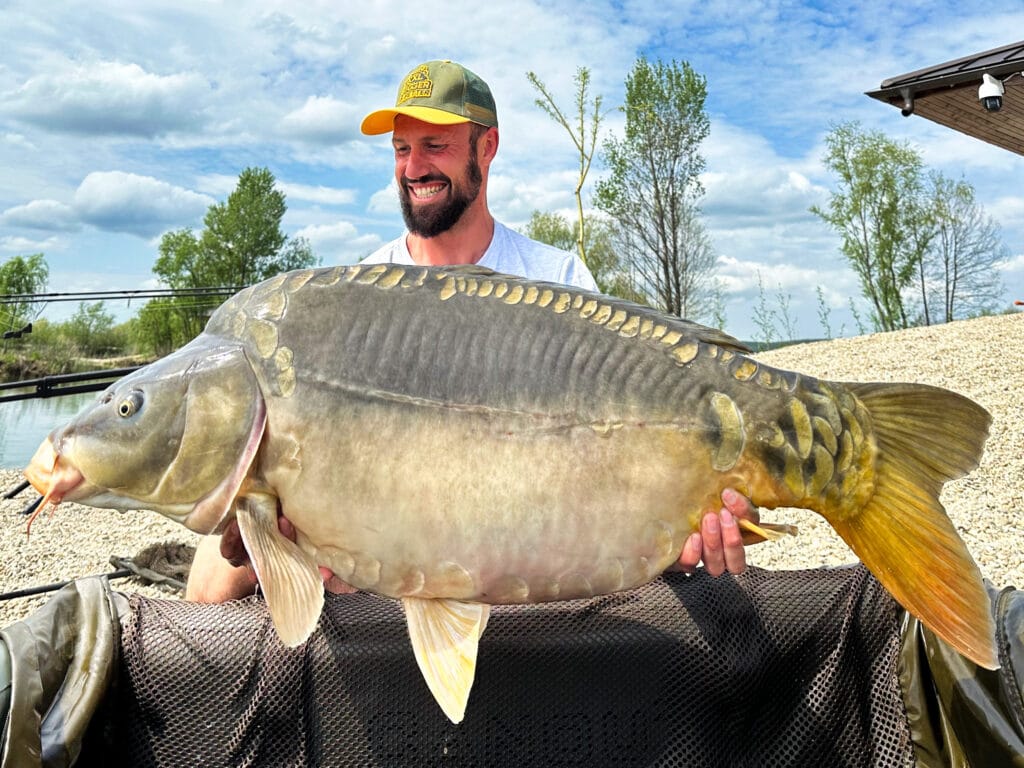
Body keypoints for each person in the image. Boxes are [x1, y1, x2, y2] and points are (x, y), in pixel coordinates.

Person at [186, 60, 758, 603]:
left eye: (435, 145)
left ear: (488, 147)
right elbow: (209, 591)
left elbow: (612, 477)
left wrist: (671, 536)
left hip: (536, 608)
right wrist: (280, 544)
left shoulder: (558, 282)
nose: (414, 168)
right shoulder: (351, 307)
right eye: (402, 149)